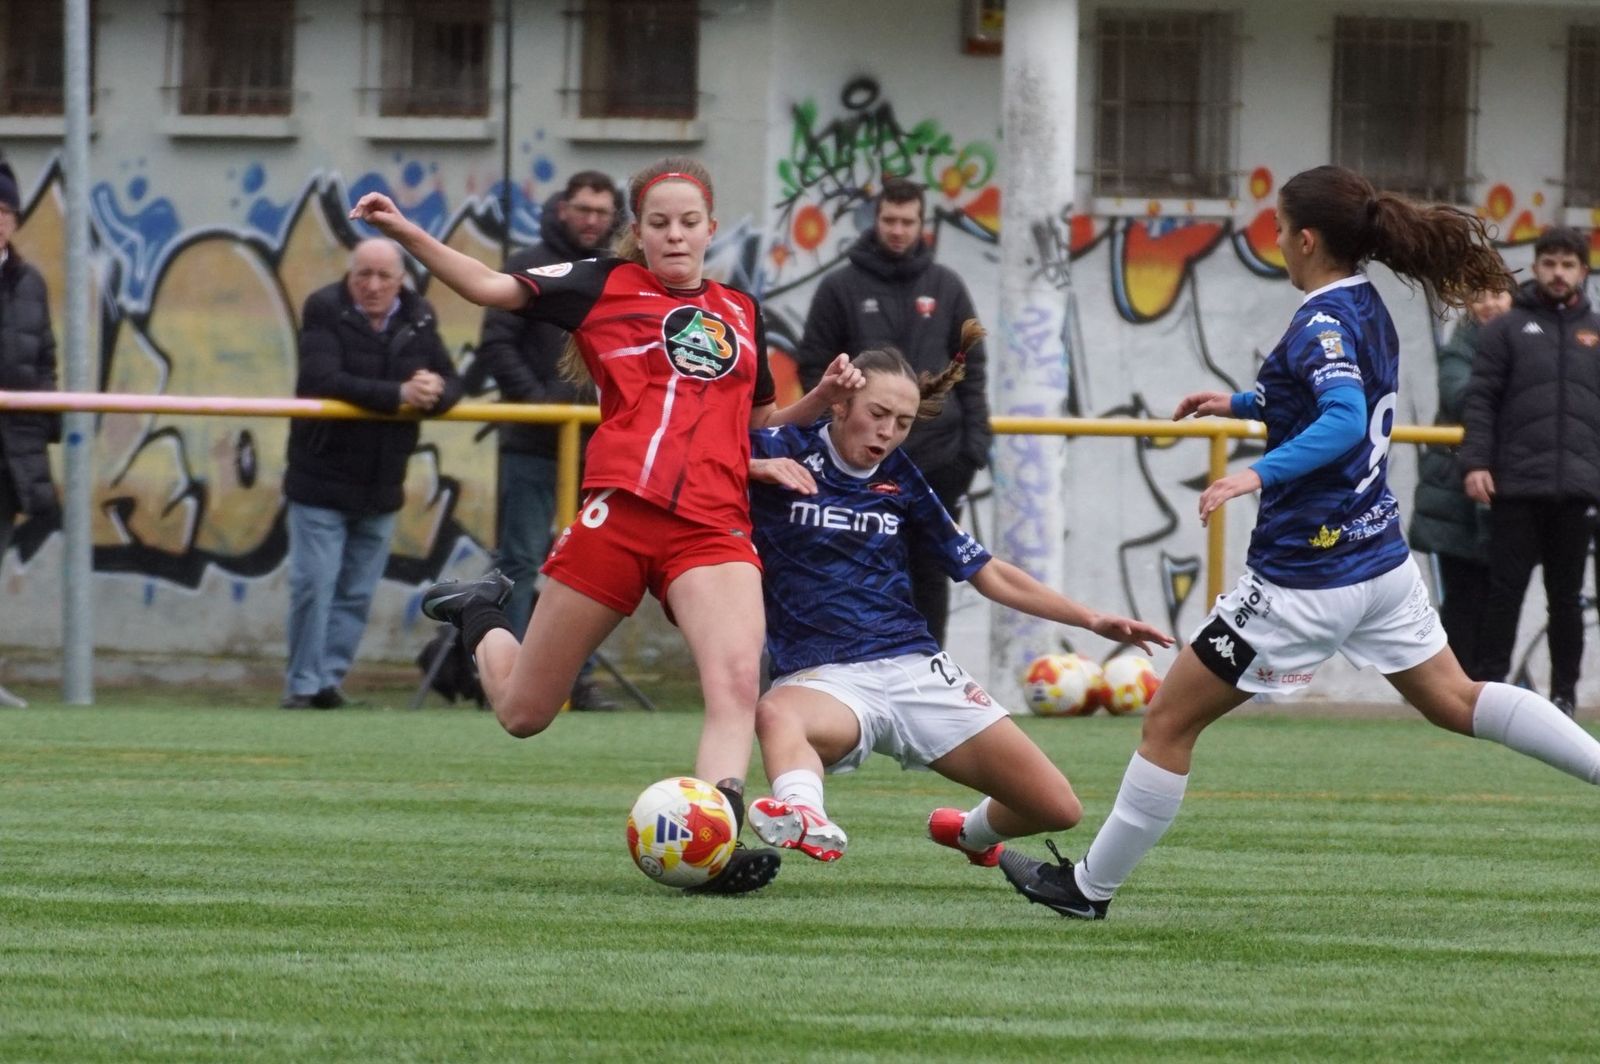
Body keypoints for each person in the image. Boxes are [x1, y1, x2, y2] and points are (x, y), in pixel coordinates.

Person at [999, 165, 1600, 921]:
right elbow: (1327, 398)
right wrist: (1245, 403)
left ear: (1307, 239)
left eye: (1280, 229)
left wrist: (1255, 475)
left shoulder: (1319, 318)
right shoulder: (1365, 304)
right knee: (1456, 699)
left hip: (1305, 580)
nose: (1277, 242)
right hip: (1380, 564)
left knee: (1168, 722)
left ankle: (1087, 889)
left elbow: (1345, 418)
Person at [349, 157, 865, 895]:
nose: (676, 234)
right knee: (525, 713)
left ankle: (713, 840)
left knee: (734, 684)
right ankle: (481, 614)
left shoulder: (742, 311)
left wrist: (819, 399)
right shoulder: (601, 284)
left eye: (690, 222)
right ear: (640, 232)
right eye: (660, 223)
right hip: (620, 514)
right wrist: (404, 232)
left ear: (711, 229)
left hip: (713, 526)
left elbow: (756, 425)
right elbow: (490, 287)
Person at [742, 326, 1172, 865]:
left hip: (914, 667)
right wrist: (749, 464)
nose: (887, 433)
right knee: (776, 713)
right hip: (824, 677)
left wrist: (1091, 619)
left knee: (1057, 807)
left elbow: (987, 572)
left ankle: (966, 832)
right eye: (877, 414)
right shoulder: (780, 451)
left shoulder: (902, 480)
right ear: (842, 401)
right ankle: (803, 812)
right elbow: (687, 457)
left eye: (902, 423)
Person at [794, 176, 992, 648]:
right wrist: (835, 434)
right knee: (852, 565)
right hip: (861, 462)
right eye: (889, 220)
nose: (898, 230)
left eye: (908, 221)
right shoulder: (840, 286)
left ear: (923, 223)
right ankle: (848, 665)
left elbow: (972, 367)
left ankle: (928, 665)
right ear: (875, 220)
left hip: (939, 461)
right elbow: (813, 366)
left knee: (930, 570)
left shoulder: (946, 286)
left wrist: (973, 450)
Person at [282, 237, 462, 709]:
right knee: (313, 587)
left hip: (383, 480)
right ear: (350, 276)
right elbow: (321, 379)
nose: (373, 285)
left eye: (384, 276)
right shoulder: (324, 308)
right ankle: (302, 688)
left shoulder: (419, 315)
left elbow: (453, 380)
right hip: (319, 476)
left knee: (356, 593)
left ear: (400, 279)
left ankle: (327, 683)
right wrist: (400, 394)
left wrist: (434, 390)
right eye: (363, 274)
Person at [477, 171, 622, 710]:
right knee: (519, 561)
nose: (591, 221)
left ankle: (576, 679)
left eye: (602, 212)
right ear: (563, 208)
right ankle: (505, 677)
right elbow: (497, 341)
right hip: (532, 445)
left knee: (590, 570)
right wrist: (541, 402)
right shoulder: (529, 265)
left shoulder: (618, 275)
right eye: (583, 209)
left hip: (601, 451)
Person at [1460, 229, 1600, 718]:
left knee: (1567, 601)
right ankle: (1490, 693)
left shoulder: (1596, 334)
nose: (1557, 273)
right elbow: (1481, 400)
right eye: (1549, 263)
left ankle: (1564, 696)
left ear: (1583, 271)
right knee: (1505, 593)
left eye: (1568, 264)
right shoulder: (1506, 330)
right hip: (1516, 485)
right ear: (1536, 267)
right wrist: (1476, 463)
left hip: (1578, 489)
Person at [1408, 286, 1511, 679]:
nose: (1489, 304)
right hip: (1455, 496)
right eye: (1479, 295)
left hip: (1506, 490)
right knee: (1464, 598)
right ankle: (1457, 688)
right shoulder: (1461, 347)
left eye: (1498, 294)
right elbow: (1464, 397)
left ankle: (1488, 687)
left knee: (1500, 596)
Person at [0, 161, 58, 709]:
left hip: (10, 450)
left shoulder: (29, 281)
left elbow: (44, 358)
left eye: (3, 212)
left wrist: (44, 429)